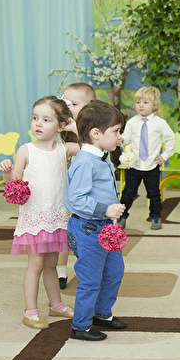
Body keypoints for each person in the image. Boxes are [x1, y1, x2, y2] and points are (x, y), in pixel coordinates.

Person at [0, 96, 79, 329]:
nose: (38, 124)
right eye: (35, 118)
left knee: (52, 264)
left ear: (60, 125)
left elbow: (91, 146)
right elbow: (13, 186)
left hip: (57, 217)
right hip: (35, 219)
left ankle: (56, 304)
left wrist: (73, 127)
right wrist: (7, 173)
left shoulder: (65, 149)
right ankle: (31, 312)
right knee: (35, 264)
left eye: (46, 119)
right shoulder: (26, 150)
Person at [64, 100, 127, 341]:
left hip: (106, 226)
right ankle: (80, 326)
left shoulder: (101, 155)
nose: (119, 137)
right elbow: (76, 199)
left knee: (114, 271)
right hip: (88, 228)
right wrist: (106, 209)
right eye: (116, 131)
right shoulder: (84, 162)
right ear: (96, 134)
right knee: (90, 278)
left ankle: (101, 313)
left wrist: (108, 213)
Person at [56, 82, 98, 289]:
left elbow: (94, 151)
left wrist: (76, 130)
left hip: (88, 190)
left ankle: (90, 268)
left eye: (74, 104)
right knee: (62, 227)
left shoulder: (94, 130)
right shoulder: (59, 127)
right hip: (64, 187)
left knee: (85, 232)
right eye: (65, 102)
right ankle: (60, 270)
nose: (68, 107)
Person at [119, 87, 176, 231]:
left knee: (154, 194)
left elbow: (171, 138)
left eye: (145, 102)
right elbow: (127, 139)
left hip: (152, 166)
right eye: (138, 102)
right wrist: (120, 139)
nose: (141, 105)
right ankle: (121, 216)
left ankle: (156, 216)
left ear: (154, 104)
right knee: (128, 193)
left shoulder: (159, 123)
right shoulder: (132, 122)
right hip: (134, 166)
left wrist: (164, 155)